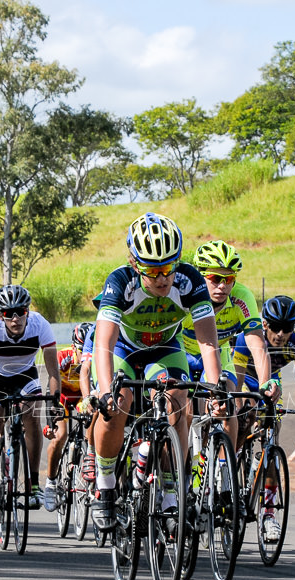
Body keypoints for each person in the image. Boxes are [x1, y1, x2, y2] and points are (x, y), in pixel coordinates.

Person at [90, 212, 223, 531]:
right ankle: (106, 486)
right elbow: (104, 341)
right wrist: (105, 388)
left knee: (179, 399)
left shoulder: (188, 280)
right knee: (117, 404)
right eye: (153, 270)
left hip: (165, 348)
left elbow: (207, 340)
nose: (163, 278)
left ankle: (171, 492)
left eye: (168, 267)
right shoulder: (121, 282)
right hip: (124, 349)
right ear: (136, 265)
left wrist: (215, 388)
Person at [232, 295, 295, 541]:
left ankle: (268, 514)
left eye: (288, 328)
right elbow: (236, 382)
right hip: (245, 382)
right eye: (276, 327)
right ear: (265, 324)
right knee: (244, 416)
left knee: (272, 437)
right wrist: (239, 411)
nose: (281, 334)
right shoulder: (247, 338)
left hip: (271, 384)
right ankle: (230, 465)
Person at [180, 239, 280, 449]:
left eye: (229, 278)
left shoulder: (242, 297)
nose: (222, 286)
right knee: (184, 412)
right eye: (215, 278)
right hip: (182, 352)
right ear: (200, 276)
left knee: (229, 406)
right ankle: (181, 471)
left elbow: (257, 344)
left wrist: (265, 383)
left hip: (219, 353)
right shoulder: (186, 296)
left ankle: (227, 474)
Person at [0, 284, 61, 513]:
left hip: (25, 374)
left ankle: (33, 486)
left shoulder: (40, 324)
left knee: (32, 417)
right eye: (7, 313)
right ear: (0, 315)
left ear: (27, 311)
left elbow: (53, 372)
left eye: (20, 312)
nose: (14, 318)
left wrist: (54, 403)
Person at [42, 322, 93, 512]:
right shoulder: (63, 357)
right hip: (62, 396)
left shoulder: (93, 360)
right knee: (60, 436)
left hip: (82, 396)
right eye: (82, 350)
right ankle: (51, 483)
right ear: (74, 347)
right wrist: (50, 423)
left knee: (92, 420)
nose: (86, 355)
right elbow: (51, 389)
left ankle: (89, 457)